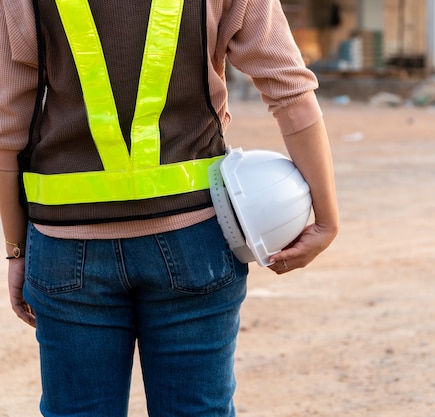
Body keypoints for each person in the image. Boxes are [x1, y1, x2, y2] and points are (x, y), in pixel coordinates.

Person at [0, 0, 339, 415]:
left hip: (67, 248)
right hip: (196, 240)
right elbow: (291, 93)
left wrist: (16, 248)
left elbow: (6, 132)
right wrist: (325, 219)